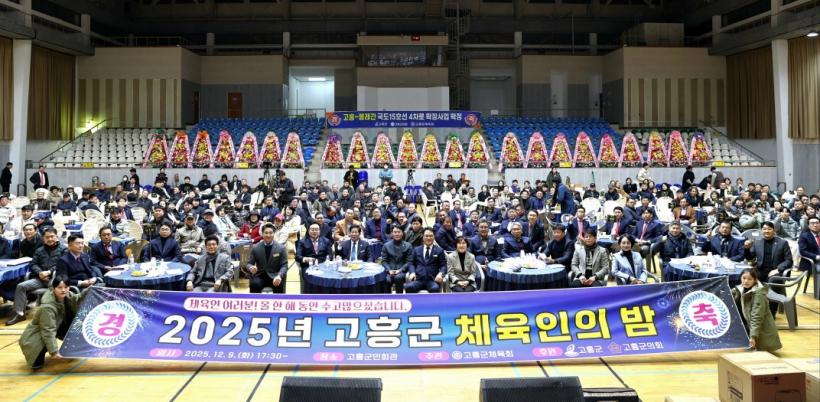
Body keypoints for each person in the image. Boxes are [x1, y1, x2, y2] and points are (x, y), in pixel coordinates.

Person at [18, 274, 86, 369]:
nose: (63, 290)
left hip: (55, 328)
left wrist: (89, 290)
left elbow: (77, 298)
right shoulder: (47, 307)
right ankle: (39, 352)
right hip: (33, 339)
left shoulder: (68, 295)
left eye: (66, 287)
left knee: (75, 322)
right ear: (53, 288)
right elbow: (48, 330)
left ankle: (69, 346)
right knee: (36, 365)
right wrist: (54, 352)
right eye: (60, 287)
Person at [6, 228, 64, 326]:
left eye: (52, 236)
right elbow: (33, 264)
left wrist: (49, 272)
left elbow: (62, 264)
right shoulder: (39, 250)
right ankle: (19, 314)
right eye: (47, 237)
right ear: (43, 238)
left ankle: (51, 315)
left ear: (56, 237)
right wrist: (40, 273)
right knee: (21, 286)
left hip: (56, 279)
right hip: (40, 279)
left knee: (53, 286)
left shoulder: (63, 249)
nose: (50, 239)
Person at [743, 221, 793, 317]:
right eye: (764, 229)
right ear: (761, 230)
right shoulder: (757, 242)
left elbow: (789, 260)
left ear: (774, 230)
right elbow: (749, 258)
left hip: (776, 271)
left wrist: (778, 269)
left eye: (769, 229)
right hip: (761, 270)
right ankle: (750, 309)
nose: (767, 231)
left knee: (774, 280)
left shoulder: (782, 243)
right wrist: (746, 248)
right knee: (746, 277)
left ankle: (771, 313)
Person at [731, 268, 782, 352]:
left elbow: (756, 317)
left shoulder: (759, 294)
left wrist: (753, 337)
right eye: (744, 278)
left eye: (749, 279)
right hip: (747, 324)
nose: (746, 281)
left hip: (759, 332)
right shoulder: (739, 289)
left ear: (755, 280)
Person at [246, 224, 289, 293]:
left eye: (271, 233)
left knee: (279, 284)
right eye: (266, 233)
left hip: (275, 275)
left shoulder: (281, 248)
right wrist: (251, 267)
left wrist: (279, 275)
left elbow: (284, 265)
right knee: (254, 284)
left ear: (274, 234)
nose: (268, 235)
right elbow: (248, 263)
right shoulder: (255, 247)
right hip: (260, 275)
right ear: (262, 234)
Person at [405, 228, 446, 293]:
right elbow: (411, 263)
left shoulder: (439, 251)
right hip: (418, 280)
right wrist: (412, 272)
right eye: (426, 236)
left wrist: (440, 273)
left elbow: (443, 265)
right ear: (423, 237)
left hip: (432, 280)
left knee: (435, 288)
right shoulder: (416, 249)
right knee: (408, 287)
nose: (428, 238)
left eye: (431, 236)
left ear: (434, 237)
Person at [296, 223, 333, 292]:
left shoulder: (326, 241)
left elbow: (330, 255)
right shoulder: (302, 242)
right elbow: (297, 256)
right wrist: (306, 259)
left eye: (316, 230)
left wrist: (326, 260)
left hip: (323, 265)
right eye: (312, 230)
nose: (314, 231)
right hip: (308, 266)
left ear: (320, 231)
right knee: (311, 279)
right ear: (308, 231)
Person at [382, 226, 412, 293]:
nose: (397, 234)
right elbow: (384, 261)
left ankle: (399, 297)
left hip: (402, 271)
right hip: (389, 270)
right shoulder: (386, 245)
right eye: (395, 232)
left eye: (399, 232)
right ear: (392, 233)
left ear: (402, 233)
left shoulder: (408, 246)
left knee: (398, 278)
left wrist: (400, 270)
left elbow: (409, 261)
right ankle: (387, 298)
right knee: (387, 280)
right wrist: (389, 270)